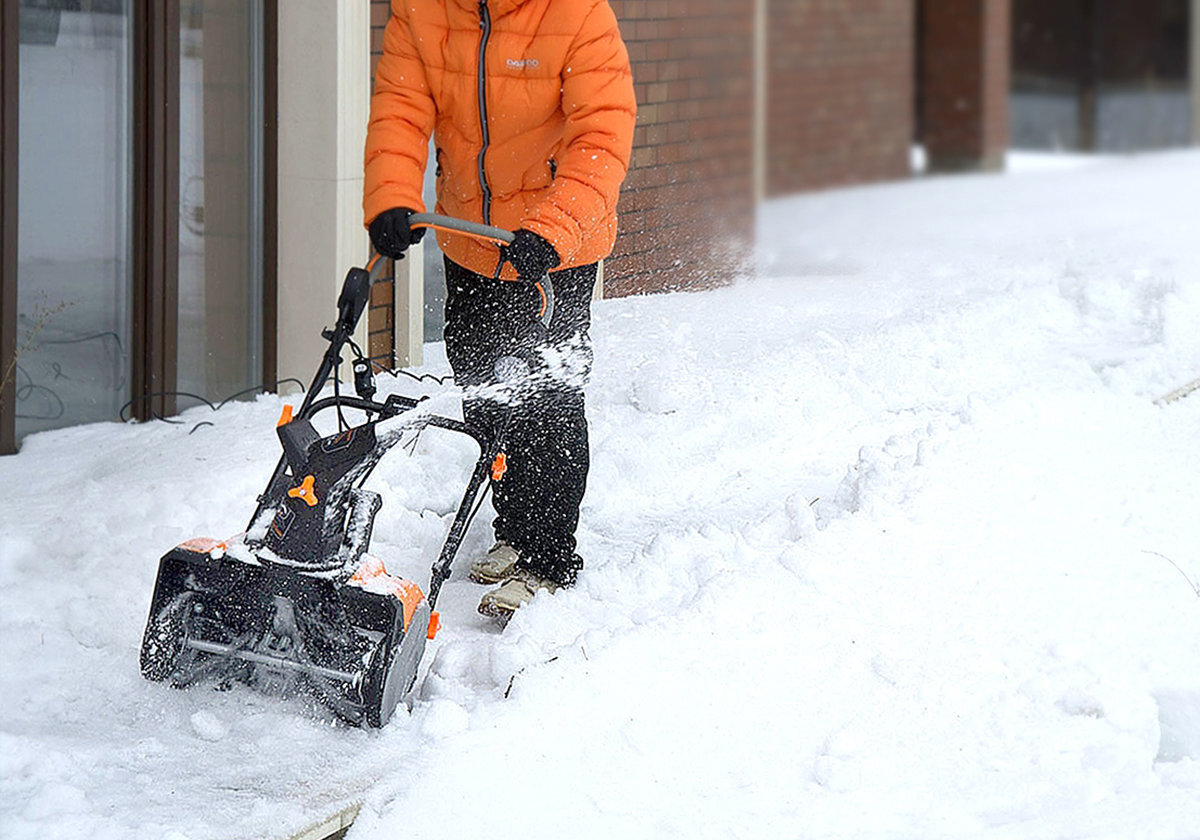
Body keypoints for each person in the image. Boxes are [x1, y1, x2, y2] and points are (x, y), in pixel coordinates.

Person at [363, 0, 636, 619]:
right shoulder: (424, 11)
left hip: (551, 249)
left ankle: (546, 556)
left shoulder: (578, 13)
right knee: (486, 390)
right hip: (470, 239)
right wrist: (392, 199)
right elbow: (401, 110)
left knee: (547, 398)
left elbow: (603, 132)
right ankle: (513, 527)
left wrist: (554, 228)